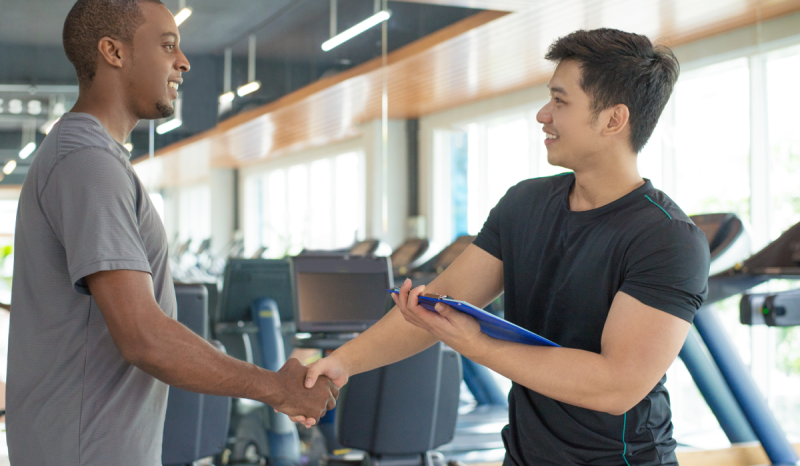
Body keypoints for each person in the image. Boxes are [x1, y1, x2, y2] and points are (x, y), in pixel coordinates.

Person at [303, 29, 710, 466]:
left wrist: (477, 345)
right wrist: (343, 363)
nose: (543, 114)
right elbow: (437, 307)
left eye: (560, 101)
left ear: (613, 120)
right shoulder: (525, 203)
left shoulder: (667, 238)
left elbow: (614, 386)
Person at [7, 1, 336, 464]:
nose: (182, 61)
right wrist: (275, 388)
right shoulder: (88, 164)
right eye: (167, 46)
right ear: (113, 52)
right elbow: (144, 335)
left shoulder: (93, 158)